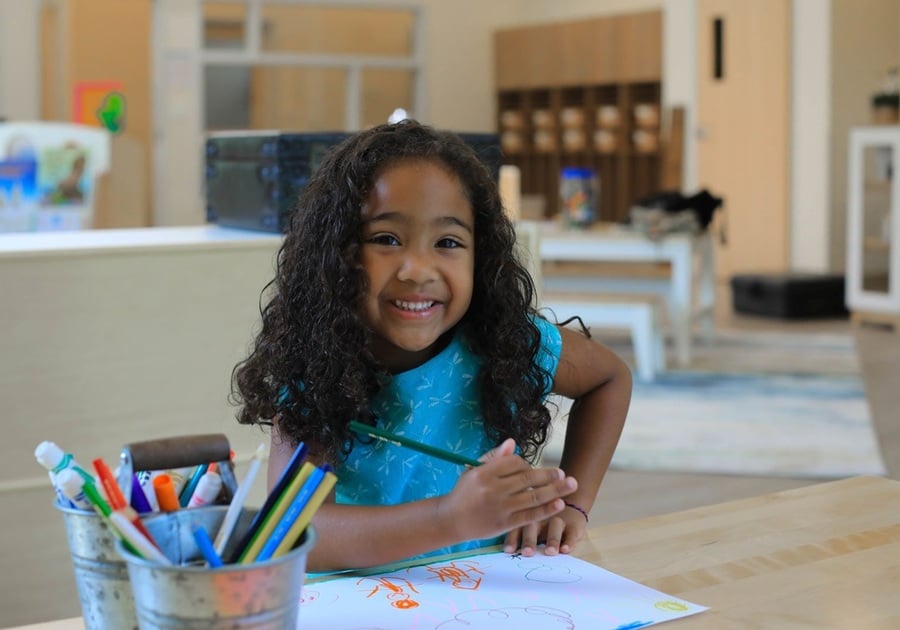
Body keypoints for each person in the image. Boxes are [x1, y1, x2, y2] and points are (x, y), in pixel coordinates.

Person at [231, 120, 632, 573]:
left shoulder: (504, 340)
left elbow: (609, 378)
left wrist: (573, 505)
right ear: (335, 253)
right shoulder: (316, 361)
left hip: (493, 590)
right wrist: (450, 519)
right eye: (387, 239)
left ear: (481, 257)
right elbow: (293, 532)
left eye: (448, 242)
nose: (418, 269)